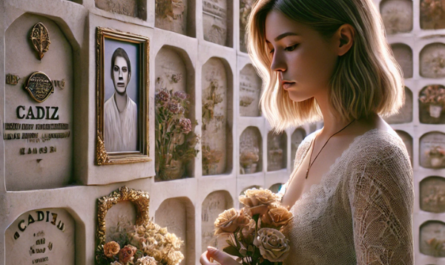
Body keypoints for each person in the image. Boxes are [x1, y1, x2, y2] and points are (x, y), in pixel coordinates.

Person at [201, 0, 414, 264]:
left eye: (290, 46)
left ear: (342, 40)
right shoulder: (309, 145)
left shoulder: (378, 157)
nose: (275, 64)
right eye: (271, 49)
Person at [104, 48, 138, 152]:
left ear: (129, 75)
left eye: (124, 70)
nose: (120, 76)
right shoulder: (105, 109)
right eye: (116, 69)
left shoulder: (134, 108)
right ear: (111, 74)